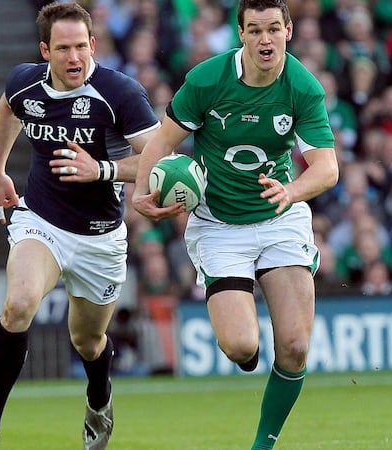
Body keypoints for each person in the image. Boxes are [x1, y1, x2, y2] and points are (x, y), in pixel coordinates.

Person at [131, 1, 338, 448]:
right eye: (255, 30)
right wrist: (140, 194)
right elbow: (162, 141)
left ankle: (263, 443)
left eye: (273, 30)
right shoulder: (206, 81)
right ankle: (248, 345)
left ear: (288, 30)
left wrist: (292, 191)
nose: (265, 40)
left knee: (296, 346)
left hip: (280, 218)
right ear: (240, 33)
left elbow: (327, 169)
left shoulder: (303, 87)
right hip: (220, 225)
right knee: (242, 347)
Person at [0, 3, 160, 450]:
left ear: (94, 46)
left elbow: (158, 157)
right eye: (63, 48)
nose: (74, 58)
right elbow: (9, 107)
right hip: (41, 221)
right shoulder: (24, 81)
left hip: (101, 237)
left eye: (81, 47)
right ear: (45, 50)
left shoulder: (120, 93)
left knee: (87, 341)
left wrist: (101, 169)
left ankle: (99, 397)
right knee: (19, 304)